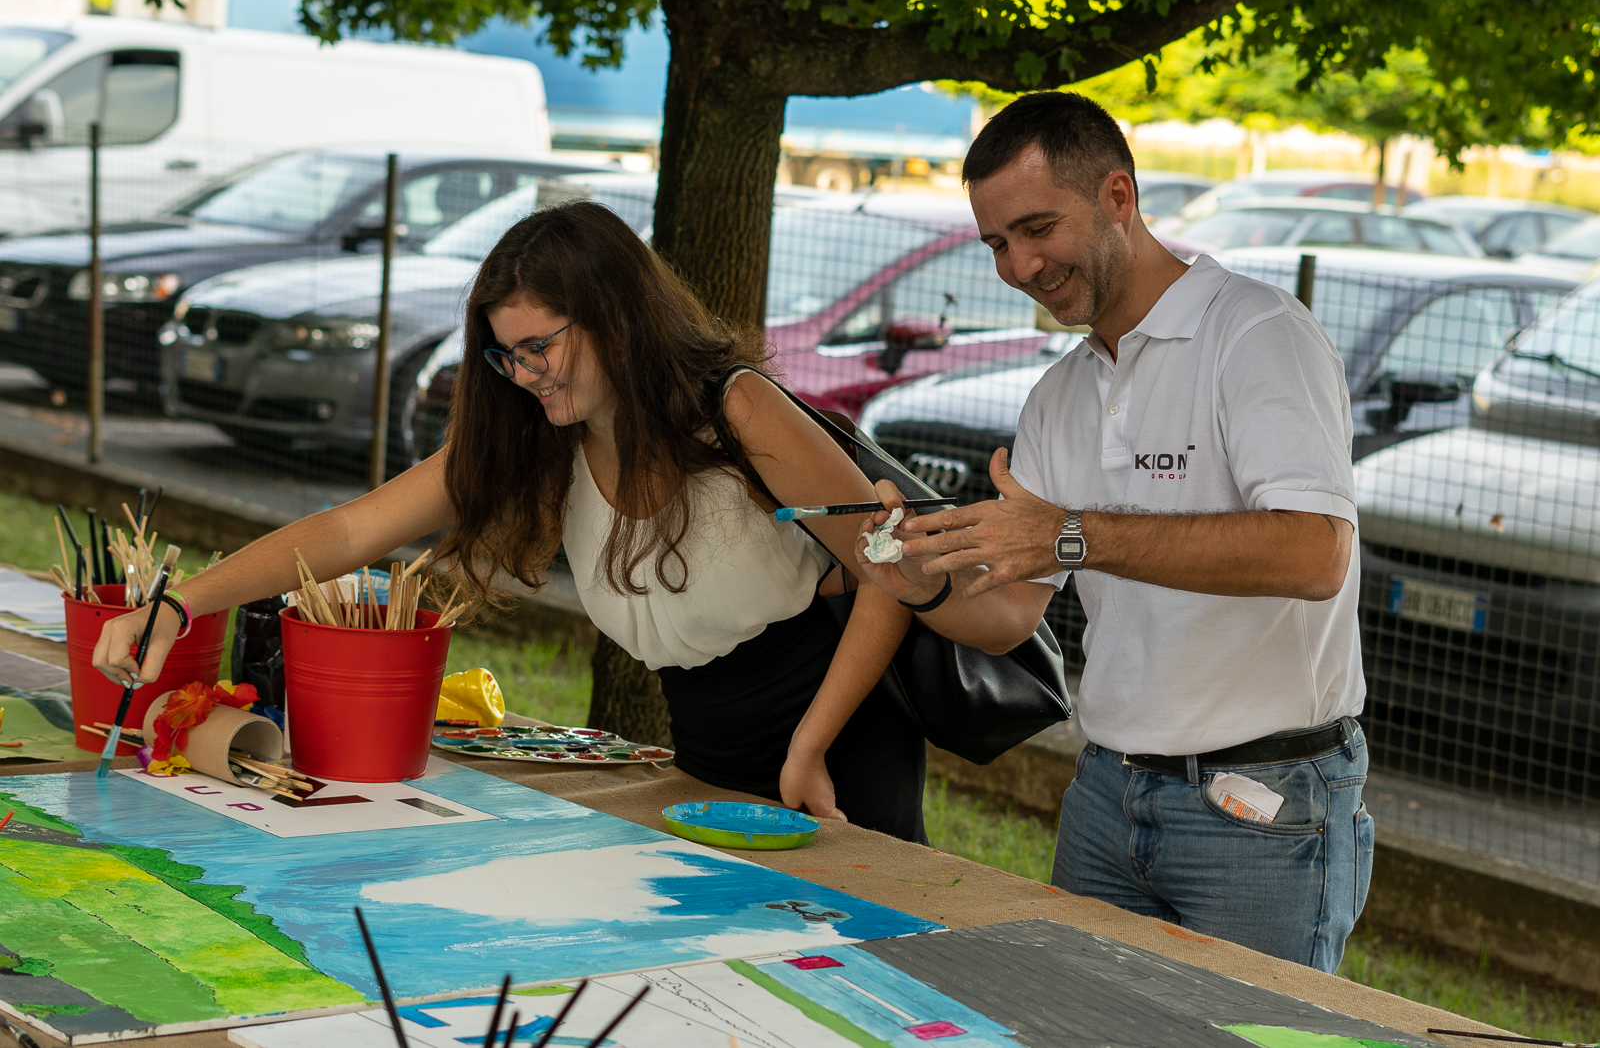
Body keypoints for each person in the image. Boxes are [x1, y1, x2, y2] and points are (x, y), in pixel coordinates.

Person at [94, 200, 928, 843]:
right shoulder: (542, 440)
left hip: (840, 736)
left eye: (542, 346)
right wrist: (181, 602)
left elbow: (886, 569)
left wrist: (810, 744)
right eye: (506, 353)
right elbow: (348, 533)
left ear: (617, 320)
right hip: (707, 742)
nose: (524, 374)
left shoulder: (738, 406)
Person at [855, 91, 1370, 970]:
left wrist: (1071, 533)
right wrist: (921, 579)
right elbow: (1012, 614)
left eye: (1036, 228)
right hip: (1107, 788)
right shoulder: (1061, 390)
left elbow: (1316, 553)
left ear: (1120, 198)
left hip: (1260, 802)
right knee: (1077, 1027)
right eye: (996, 244)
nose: (1018, 264)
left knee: (1240, 1040)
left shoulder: (1255, 333)